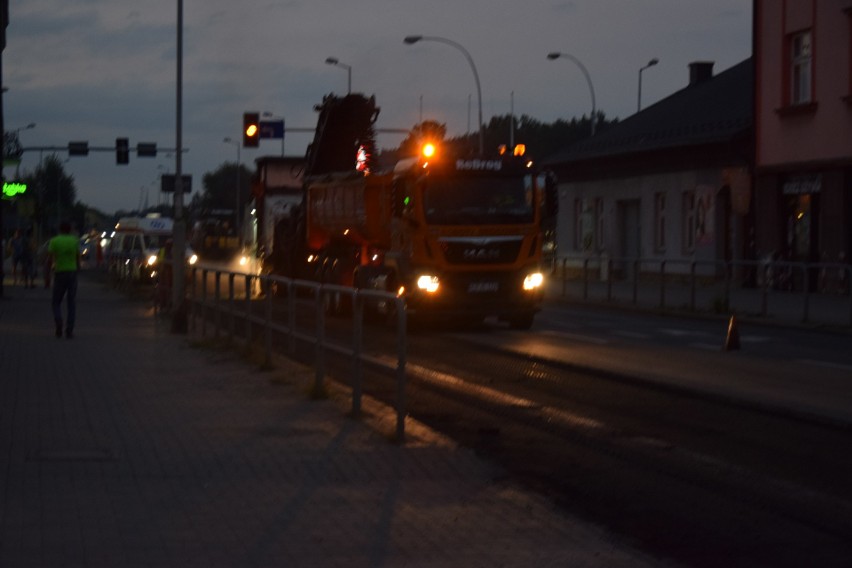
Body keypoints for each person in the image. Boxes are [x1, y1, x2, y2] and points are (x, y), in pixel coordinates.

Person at [48, 222, 80, 339]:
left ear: (60, 229)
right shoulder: (74, 240)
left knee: (56, 301)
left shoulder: (54, 241)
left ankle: (58, 321)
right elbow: (77, 257)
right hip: (72, 273)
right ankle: (69, 330)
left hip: (59, 272)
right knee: (71, 303)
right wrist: (78, 269)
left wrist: (49, 271)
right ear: (70, 229)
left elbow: (50, 257)